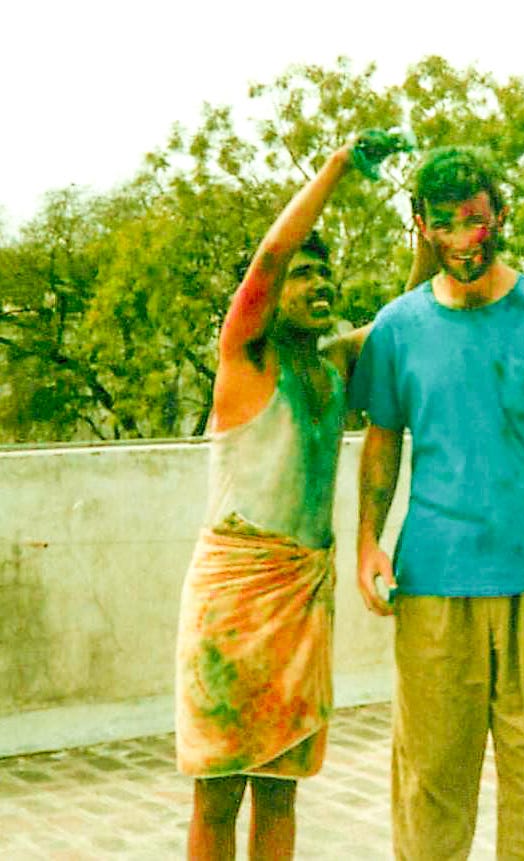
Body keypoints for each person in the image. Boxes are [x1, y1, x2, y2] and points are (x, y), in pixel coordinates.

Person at [175, 131, 428, 860]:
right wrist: (338, 166)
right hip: (235, 596)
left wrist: (418, 232)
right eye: (304, 278)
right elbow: (267, 259)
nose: (318, 288)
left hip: (301, 597)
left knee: (282, 781)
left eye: (327, 280)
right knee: (219, 787)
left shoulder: (334, 365)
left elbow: (405, 313)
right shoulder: (246, 357)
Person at [350, 146, 524, 860]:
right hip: (431, 582)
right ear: (420, 225)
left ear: (500, 215)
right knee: (430, 782)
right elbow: (382, 442)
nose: (463, 240)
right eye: (446, 225)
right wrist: (368, 540)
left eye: (476, 221)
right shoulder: (396, 328)